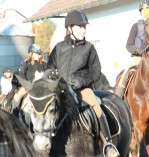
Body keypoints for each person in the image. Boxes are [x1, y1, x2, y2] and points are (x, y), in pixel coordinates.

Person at [44, 9, 119, 156]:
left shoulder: (89, 48)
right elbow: (49, 68)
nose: (83, 30)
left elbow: (96, 70)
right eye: (79, 27)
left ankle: (108, 144)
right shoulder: (58, 48)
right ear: (69, 28)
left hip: (82, 90)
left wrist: (81, 81)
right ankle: (38, 138)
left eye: (84, 27)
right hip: (60, 90)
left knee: (96, 106)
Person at [116, 0, 149, 98]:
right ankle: (118, 100)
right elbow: (129, 45)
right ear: (141, 14)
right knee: (125, 74)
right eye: (144, 13)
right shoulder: (136, 26)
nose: (146, 15)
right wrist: (142, 52)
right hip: (138, 58)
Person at [12, 44, 47, 111]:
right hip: (28, 86)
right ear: (31, 54)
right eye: (36, 54)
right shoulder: (25, 63)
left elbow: (47, 74)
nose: (38, 56)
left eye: (39, 54)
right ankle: (14, 114)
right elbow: (21, 75)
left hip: (42, 87)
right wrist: (28, 85)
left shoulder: (44, 63)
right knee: (17, 96)